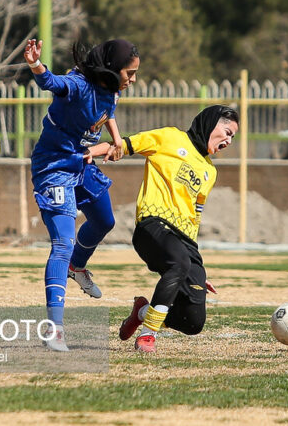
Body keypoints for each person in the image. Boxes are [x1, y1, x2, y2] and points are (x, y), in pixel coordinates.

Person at [88, 105, 239, 354]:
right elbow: (123, 145)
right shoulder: (170, 137)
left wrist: (196, 266)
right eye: (227, 131)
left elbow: (194, 216)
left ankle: (142, 312)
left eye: (233, 136)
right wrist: (86, 153)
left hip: (185, 242)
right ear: (210, 123)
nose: (229, 140)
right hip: (153, 225)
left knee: (193, 322)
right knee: (177, 264)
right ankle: (148, 335)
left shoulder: (210, 171)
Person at [24, 38, 139, 351]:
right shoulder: (77, 84)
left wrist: (115, 140)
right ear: (113, 69)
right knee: (63, 243)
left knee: (104, 220)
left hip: (83, 162)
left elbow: (108, 111)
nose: (133, 79)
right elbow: (50, 82)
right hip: (55, 166)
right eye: (130, 73)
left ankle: (77, 267)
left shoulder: (112, 90)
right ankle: (54, 329)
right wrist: (35, 63)